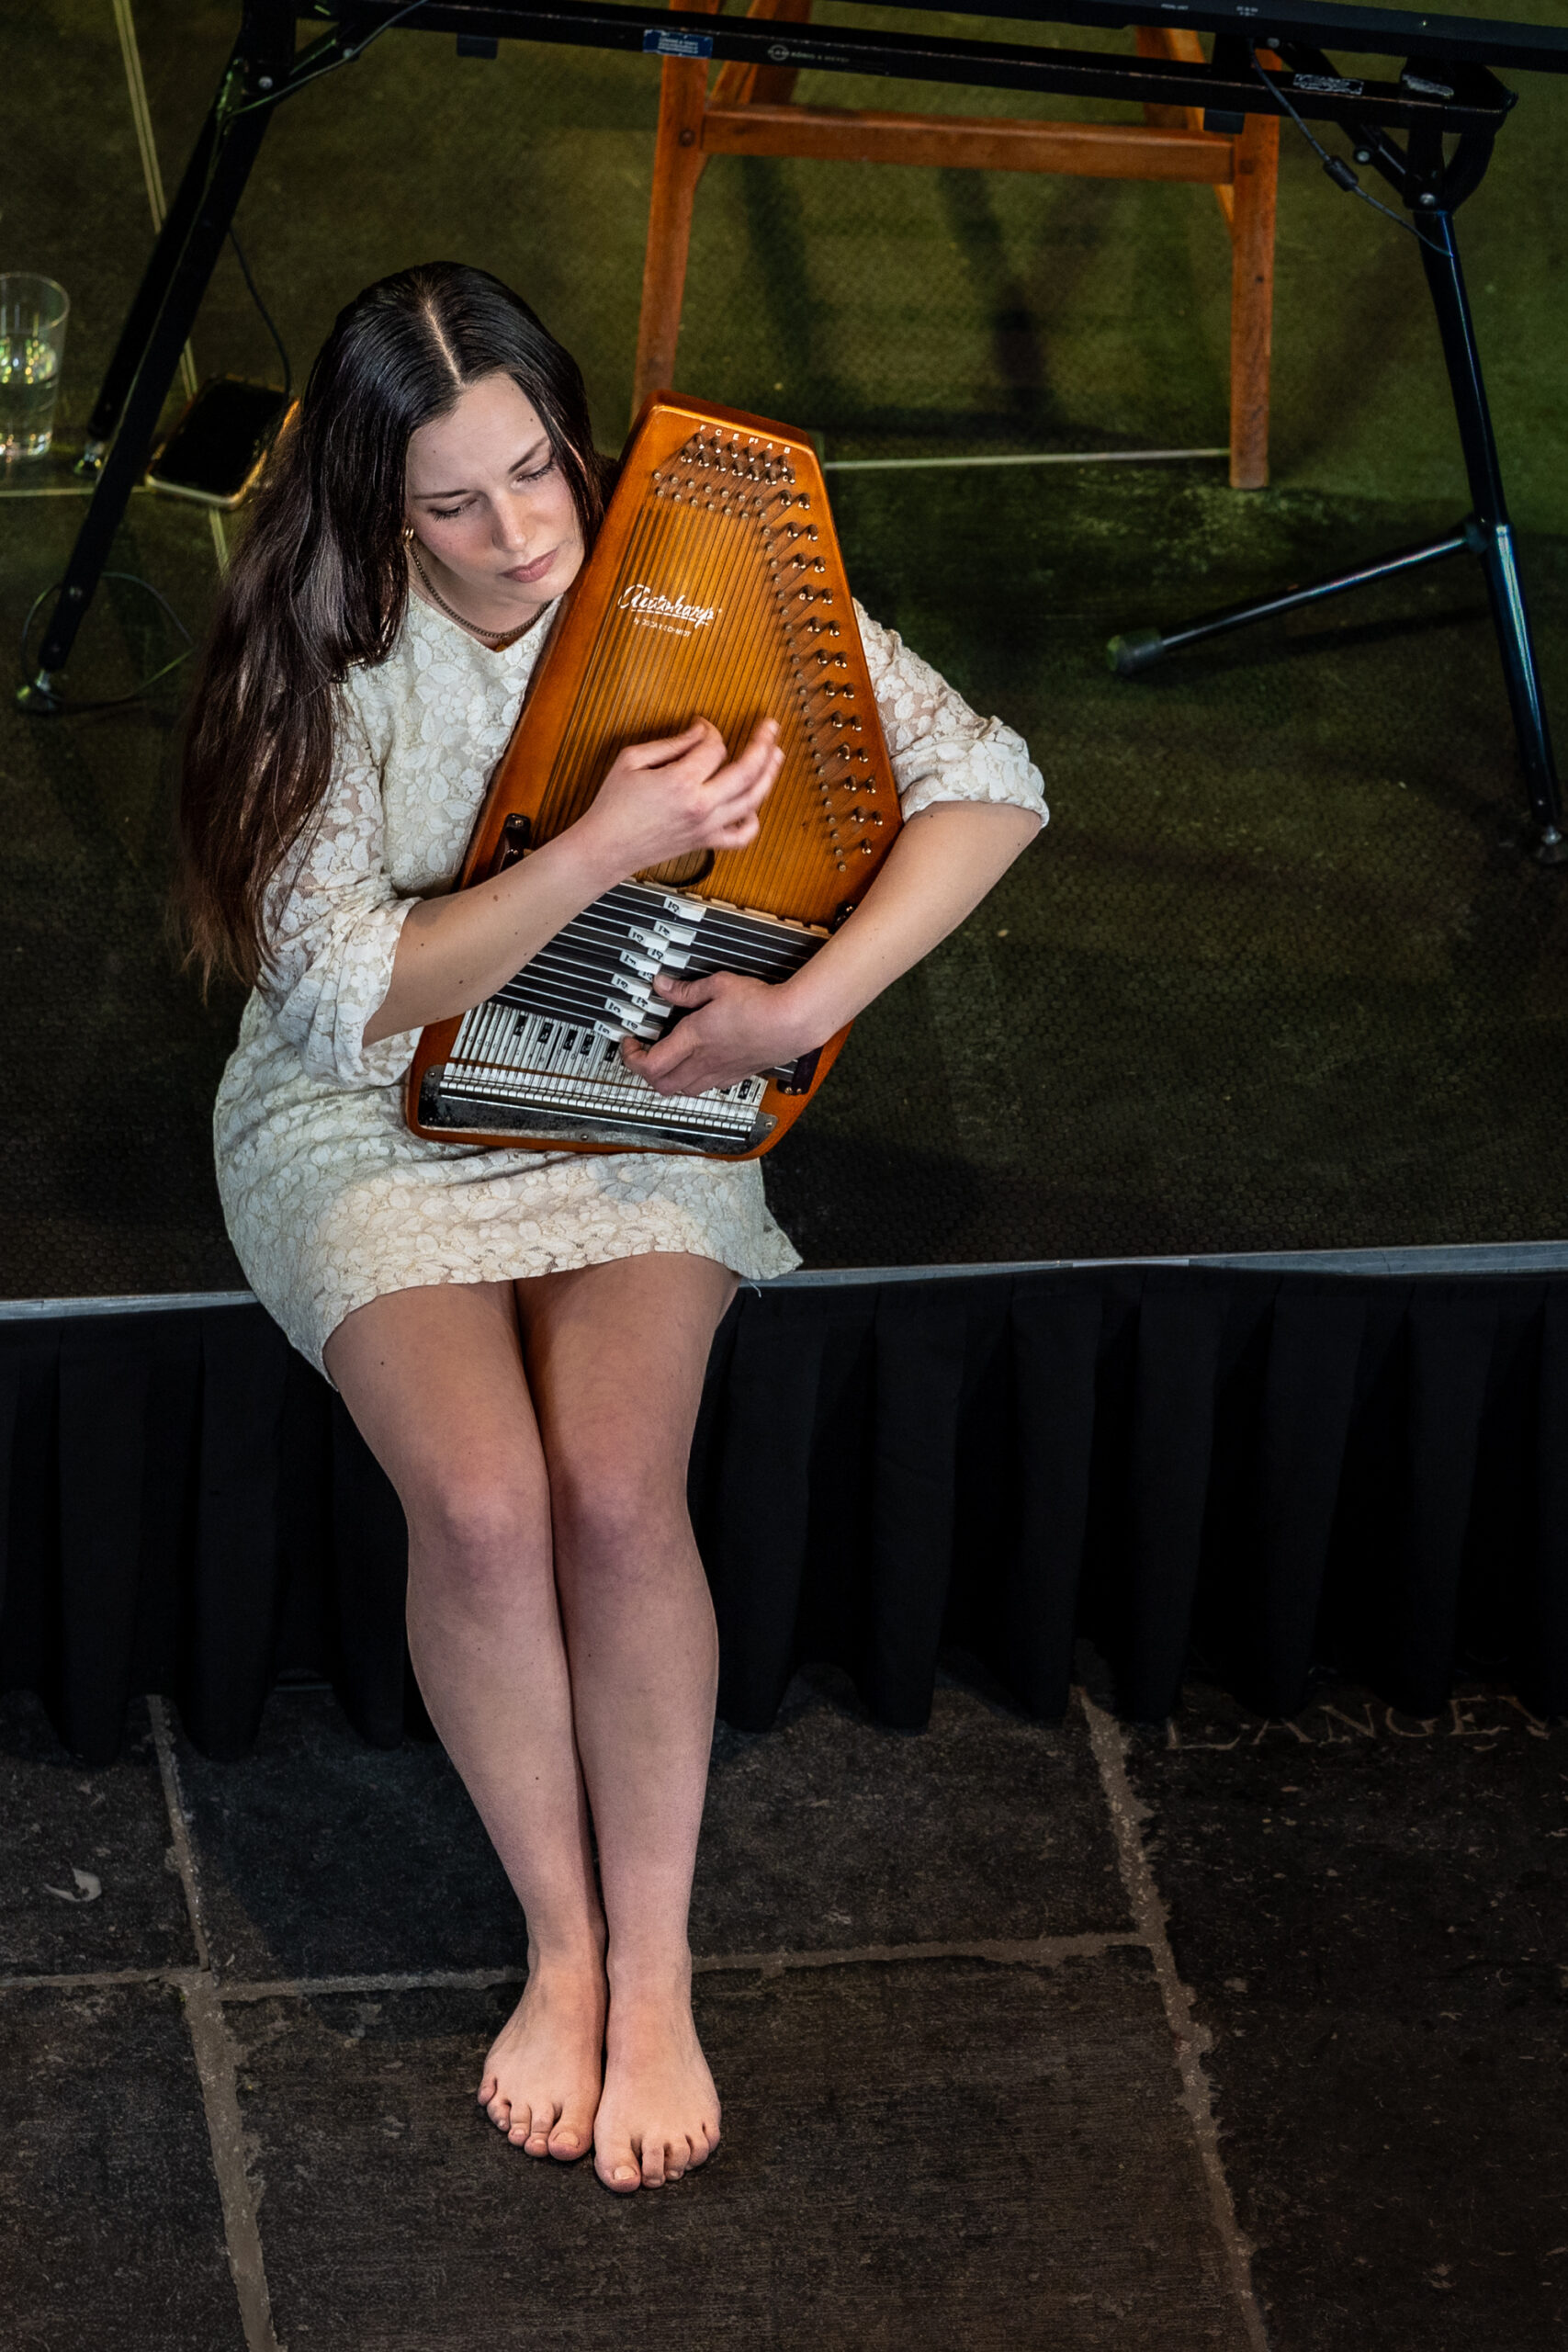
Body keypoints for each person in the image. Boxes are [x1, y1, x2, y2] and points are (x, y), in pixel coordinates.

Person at [179, 262, 1045, 2195]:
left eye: (533, 473)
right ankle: (559, 1944)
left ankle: (653, 1971)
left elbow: (990, 783)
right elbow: (352, 995)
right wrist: (595, 850)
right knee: (486, 1506)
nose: (516, 535)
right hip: (369, 1112)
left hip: (633, 1080)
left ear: (571, 438)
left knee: (614, 1488)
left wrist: (798, 1013)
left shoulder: (693, 562)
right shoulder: (319, 638)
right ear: (377, 506)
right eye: (453, 504)